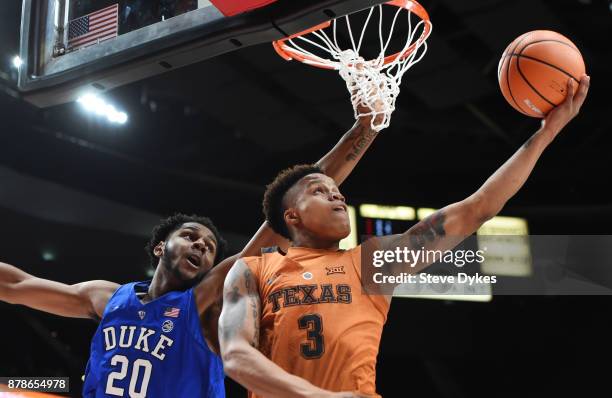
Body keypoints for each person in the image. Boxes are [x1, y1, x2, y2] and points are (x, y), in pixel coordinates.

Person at [218, 76, 591, 397]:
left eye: (338, 190)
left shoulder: (370, 262)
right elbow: (235, 356)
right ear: (291, 215)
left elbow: (477, 209)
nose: (337, 194)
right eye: (319, 190)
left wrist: (547, 133)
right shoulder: (253, 270)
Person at [0, 103, 383, 397]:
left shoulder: (204, 302)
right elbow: (17, 285)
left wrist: (362, 130)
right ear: (159, 247)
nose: (201, 245)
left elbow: (286, 213)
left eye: (210, 246)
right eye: (190, 236)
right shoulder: (105, 298)